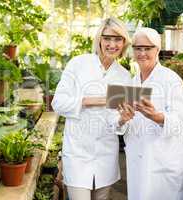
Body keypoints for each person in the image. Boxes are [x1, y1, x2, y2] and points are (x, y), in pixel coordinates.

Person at [51, 17, 132, 200]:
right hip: (78, 154)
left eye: (118, 39)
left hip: (105, 157)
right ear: (99, 39)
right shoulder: (78, 64)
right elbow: (58, 102)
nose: (112, 44)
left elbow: (115, 122)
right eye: (107, 38)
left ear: (124, 42)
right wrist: (93, 100)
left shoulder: (124, 76)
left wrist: (122, 119)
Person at [118, 27, 183, 200]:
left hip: (162, 163)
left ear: (157, 49)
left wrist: (156, 116)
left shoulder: (171, 80)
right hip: (137, 161)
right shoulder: (131, 82)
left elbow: (180, 121)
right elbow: (120, 123)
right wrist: (122, 120)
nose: (142, 53)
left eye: (147, 48)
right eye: (138, 48)